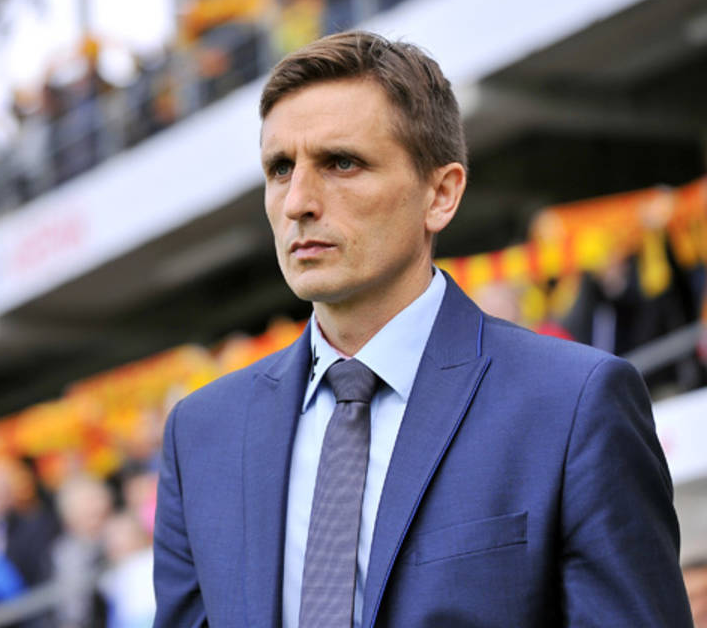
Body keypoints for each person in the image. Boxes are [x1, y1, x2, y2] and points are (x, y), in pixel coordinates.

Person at [152, 30, 693, 627]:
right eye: (280, 168)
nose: (297, 201)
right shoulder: (200, 438)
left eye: (341, 162)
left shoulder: (572, 404)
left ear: (440, 194)